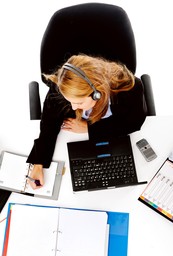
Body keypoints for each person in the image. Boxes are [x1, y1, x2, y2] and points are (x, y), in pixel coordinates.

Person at [27, 54, 147, 189]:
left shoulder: (130, 89)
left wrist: (89, 128)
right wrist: (38, 164)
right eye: (70, 101)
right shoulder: (60, 88)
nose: (73, 107)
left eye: (79, 102)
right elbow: (49, 125)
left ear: (97, 93)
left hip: (112, 140)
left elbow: (134, 122)